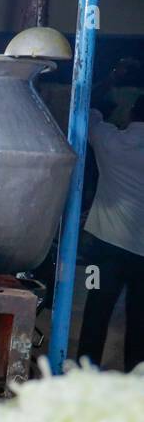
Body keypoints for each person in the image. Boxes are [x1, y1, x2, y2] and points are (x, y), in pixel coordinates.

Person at [77, 96, 144, 371]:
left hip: (103, 249)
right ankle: (136, 383)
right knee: (140, 321)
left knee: (95, 311)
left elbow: (87, 114)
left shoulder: (110, 141)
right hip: (142, 256)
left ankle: (84, 374)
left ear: (131, 112)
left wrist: (109, 88)